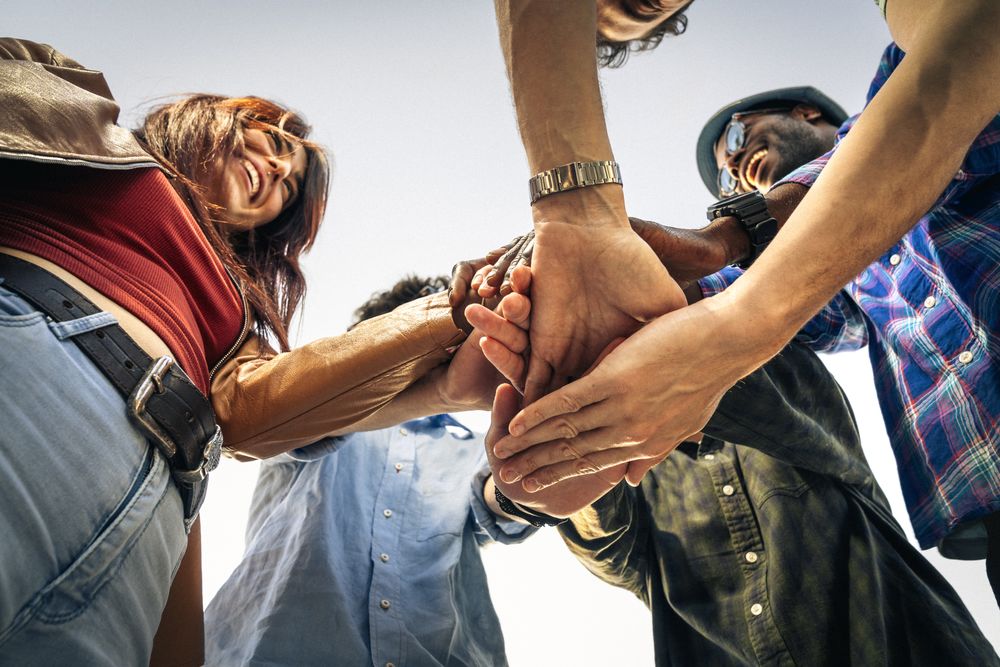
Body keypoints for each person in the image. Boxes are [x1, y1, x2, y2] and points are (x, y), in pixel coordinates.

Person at [0, 38, 521, 665]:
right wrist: (453, 311)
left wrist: (445, 379)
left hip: (156, 505)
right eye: (274, 143)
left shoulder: (238, 315)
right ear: (211, 114)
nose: (278, 172)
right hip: (36, 363)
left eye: (289, 185)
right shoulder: (85, 124)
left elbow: (250, 414)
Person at [484, 1, 1000, 604]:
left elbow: (943, 89)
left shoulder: (906, 68)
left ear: (806, 111)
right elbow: (726, 295)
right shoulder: (843, 287)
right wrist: (548, 295)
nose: (734, 164)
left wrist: (731, 233)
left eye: (735, 135)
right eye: (728, 181)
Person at [471, 283, 998, 664]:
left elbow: (771, 379)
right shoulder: (637, 487)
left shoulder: (786, 392)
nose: (612, 348)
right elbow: (613, 554)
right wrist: (555, 470)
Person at [205, 276, 539, 667]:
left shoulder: (470, 446)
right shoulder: (308, 406)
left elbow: (498, 504)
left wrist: (529, 477)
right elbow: (270, 419)